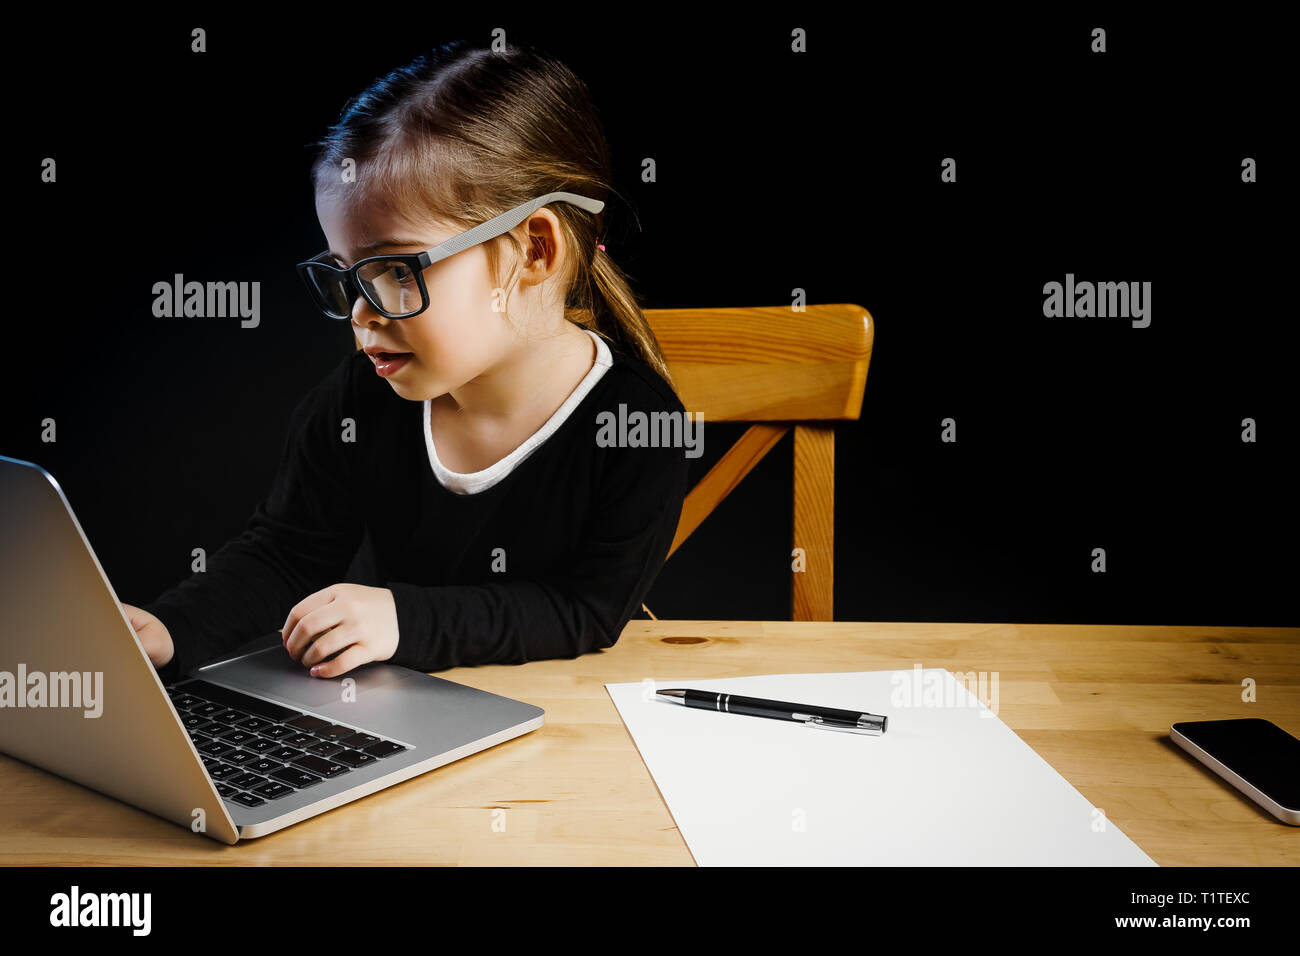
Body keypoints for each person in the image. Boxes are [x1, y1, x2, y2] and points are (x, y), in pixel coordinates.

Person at [122, 39, 690, 682]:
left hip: (568, 725)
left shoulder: (635, 424)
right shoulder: (362, 400)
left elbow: (582, 609)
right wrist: (172, 628)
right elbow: (288, 552)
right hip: (391, 717)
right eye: (345, 275)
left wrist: (404, 620)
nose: (361, 313)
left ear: (535, 249)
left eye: (394, 270)